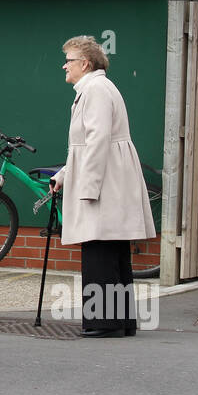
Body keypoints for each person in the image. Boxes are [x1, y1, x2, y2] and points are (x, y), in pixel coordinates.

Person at [48, 35, 155, 338]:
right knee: (114, 250)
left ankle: (104, 323)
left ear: (85, 63)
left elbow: (96, 142)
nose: (63, 66)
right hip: (110, 178)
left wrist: (87, 188)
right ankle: (121, 322)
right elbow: (89, 144)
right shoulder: (97, 87)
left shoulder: (94, 90)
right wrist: (65, 175)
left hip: (104, 182)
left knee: (98, 251)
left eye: (68, 60)